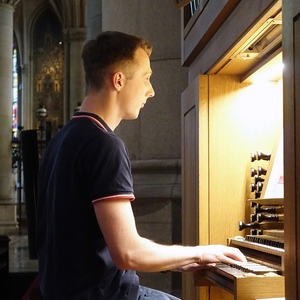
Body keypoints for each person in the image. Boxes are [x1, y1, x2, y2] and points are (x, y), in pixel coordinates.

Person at [36, 31, 246, 300]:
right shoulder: (104, 145)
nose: (151, 90)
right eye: (146, 78)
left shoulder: (60, 140)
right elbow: (128, 253)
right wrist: (199, 251)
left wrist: (179, 260)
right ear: (119, 80)